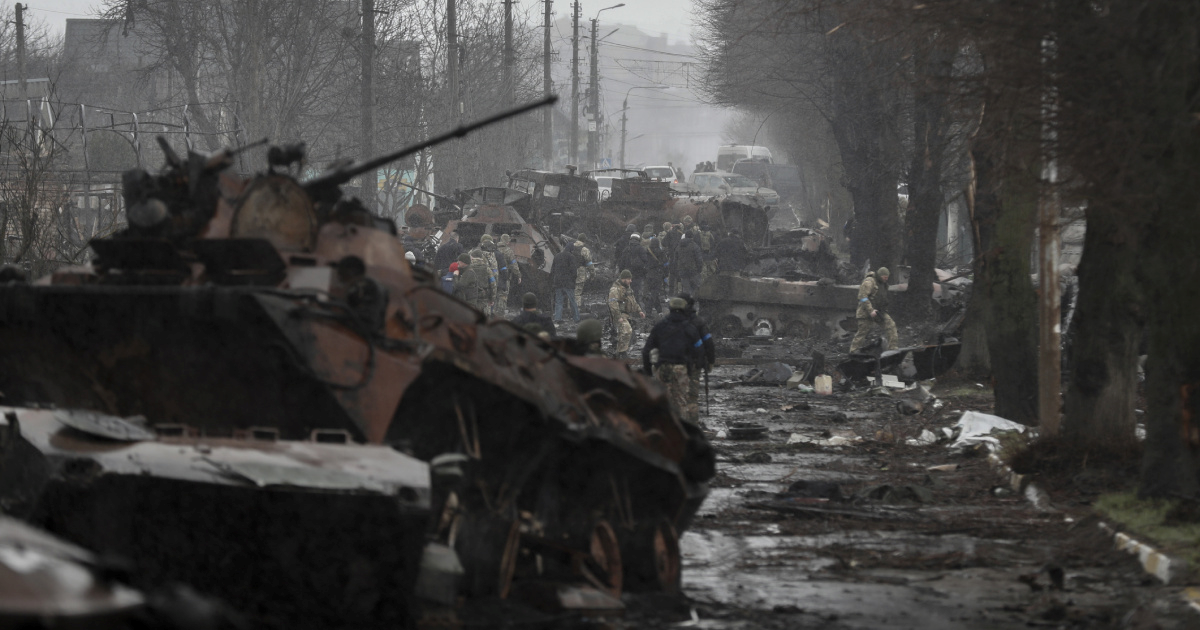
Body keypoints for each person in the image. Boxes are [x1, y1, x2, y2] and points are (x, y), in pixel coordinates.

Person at [642, 297, 704, 423]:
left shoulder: (659, 327)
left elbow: (646, 351)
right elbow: (699, 351)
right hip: (681, 368)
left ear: (670, 309)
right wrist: (694, 370)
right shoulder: (690, 328)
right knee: (680, 401)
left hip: (663, 367)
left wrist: (648, 371)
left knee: (662, 400)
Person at [681, 292, 715, 424]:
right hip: (695, 363)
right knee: (692, 397)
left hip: (675, 363)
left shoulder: (671, 321)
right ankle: (692, 425)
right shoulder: (699, 322)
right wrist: (710, 361)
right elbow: (709, 344)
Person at [850, 266, 899, 353]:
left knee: (891, 326)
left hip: (879, 311)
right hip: (866, 312)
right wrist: (870, 310)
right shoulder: (869, 282)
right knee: (862, 333)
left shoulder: (883, 284)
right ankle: (853, 352)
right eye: (885, 277)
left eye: (887, 277)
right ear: (880, 275)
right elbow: (862, 297)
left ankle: (893, 349)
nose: (886, 279)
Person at [336, 255, 389, 332]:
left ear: (349, 273)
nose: (340, 279)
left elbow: (367, 317)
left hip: (366, 330)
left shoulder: (365, 287)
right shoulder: (369, 285)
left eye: (341, 275)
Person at [608, 269, 644, 358]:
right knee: (626, 331)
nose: (630, 281)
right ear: (623, 279)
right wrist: (618, 316)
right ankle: (621, 352)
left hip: (626, 314)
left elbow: (633, 301)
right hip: (619, 314)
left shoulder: (628, 289)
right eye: (629, 279)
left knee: (627, 333)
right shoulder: (615, 289)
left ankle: (620, 352)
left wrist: (639, 311)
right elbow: (613, 304)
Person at [551, 242, 580, 323]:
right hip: (568, 283)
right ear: (571, 249)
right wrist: (573, 281)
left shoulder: (557, 256)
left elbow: (552, 270)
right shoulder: (571, 257)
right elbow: (574, 271)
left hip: (558, 282)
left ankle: (558, 318)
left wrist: (554, 281)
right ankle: (576, 318)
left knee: (559, 301)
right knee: (572, 301)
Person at [617, 233, 649, 304]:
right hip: (638, 274)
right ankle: (636, 309)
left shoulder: (626, 249)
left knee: (626, 292)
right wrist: (644, 272)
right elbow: (646, 261)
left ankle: (627, 308)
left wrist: (621, 272)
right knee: (636, 292)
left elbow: (621, 263)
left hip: (627, 274)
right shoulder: (641, 249)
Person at [672, 228, 705, 295]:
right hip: (693, 270)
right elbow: (699, 259)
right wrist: (699, 269)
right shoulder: (695, 246)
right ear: (692, 237)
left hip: (682, 271)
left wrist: (677, 270)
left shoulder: (678, 246)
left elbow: (675, 260)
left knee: (686, 290)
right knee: (698, 288)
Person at [497, 233, 522, 314]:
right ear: (507, 242)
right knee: (503, 295)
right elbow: (514, 265)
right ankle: (500, 314)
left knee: (494, 294)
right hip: (504, 276)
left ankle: (492, 313)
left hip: (493, 275)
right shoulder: (508, 251)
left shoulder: (494, 249)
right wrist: (518, 275)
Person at [643, 232, 666, 318]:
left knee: (652, 292)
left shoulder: (647, 251)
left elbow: (644, 262)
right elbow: (665, 263)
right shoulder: (661, 252)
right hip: (657, 274)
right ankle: (648, 311)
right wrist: (665, 274)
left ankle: (659, 310)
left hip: (649, 274)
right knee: (655, 293)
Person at [468, 249, 496, 313]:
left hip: (471, 297)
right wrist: (492, 299)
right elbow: (493, 284)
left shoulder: (468, 268)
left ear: (472, 257)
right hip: (483, 296)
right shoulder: (487, 268)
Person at [479, 235, 501, 316]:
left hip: (480, 288)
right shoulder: (493, 256)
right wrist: (493, 297)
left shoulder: (476, 254)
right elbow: (495, 277)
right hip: (490, 287)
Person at [573, 235, 593, 311]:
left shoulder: (569, 247)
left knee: (571, 290)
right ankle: (576, 310)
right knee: (578, 291)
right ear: (584, 241)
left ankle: (570, 308)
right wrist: (592, 273)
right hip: (580, 272)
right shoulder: (584, 250)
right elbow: (589, 263)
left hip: (570, 272)